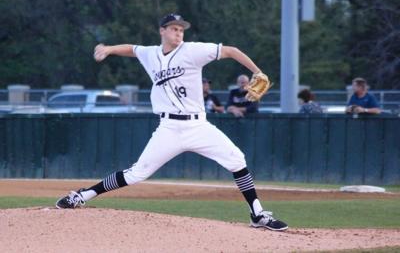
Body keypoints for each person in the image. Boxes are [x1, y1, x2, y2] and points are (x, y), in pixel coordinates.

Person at [55, 13, 288, 231]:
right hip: (169, 128)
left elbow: (231, 51)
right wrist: (108, 49)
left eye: (181, 29)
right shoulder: (151, 54)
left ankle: (257, 215)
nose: (179, 33)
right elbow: (132, 50)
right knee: (137, 174)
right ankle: (83, 195)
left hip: (198, 126)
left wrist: (258, 71)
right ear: (162, 31)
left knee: (237, 159)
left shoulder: (193, 51)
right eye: (174, 29)